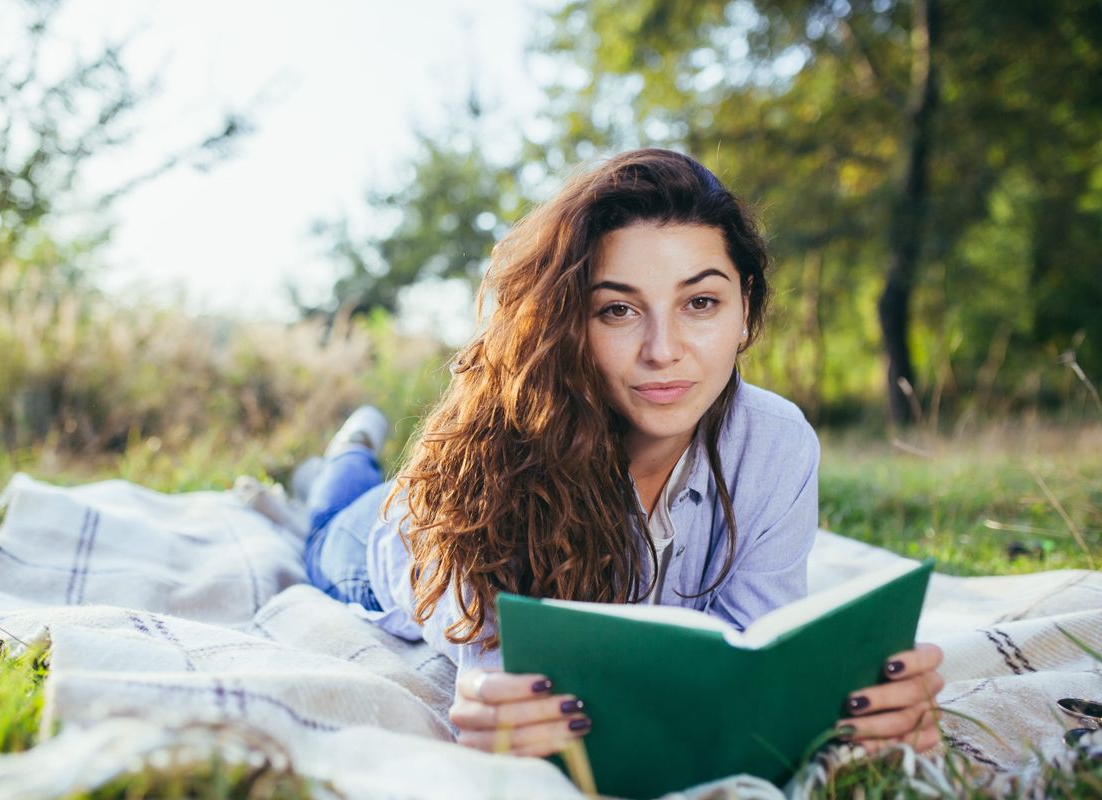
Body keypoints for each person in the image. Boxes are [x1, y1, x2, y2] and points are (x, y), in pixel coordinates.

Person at [299, 149, 944, 760]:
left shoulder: (775, 443)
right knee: (331, 514)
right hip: (383, 542)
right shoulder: (506, 450)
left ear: (744, 309)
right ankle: (345, 454)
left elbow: (756, 651)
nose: (663, 350)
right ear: (570, 321)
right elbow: (498, 675)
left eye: (700, 302)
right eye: (617, 310)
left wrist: (847, 704)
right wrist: (494, 701)